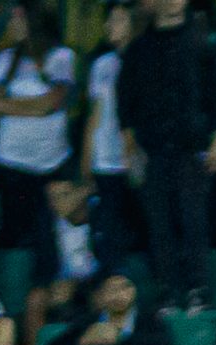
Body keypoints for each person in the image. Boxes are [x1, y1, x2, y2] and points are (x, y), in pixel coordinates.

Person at [119, 0, 216, 312]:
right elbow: (126, 101)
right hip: (153, 150)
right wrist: (130, 146)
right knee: (159, 222)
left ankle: (198, 289)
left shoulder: (203, 42)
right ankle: (167, 289)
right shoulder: (139, 49)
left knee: (194, 220)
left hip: (190, 148)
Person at [0, 3, 78, 251]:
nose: (12, 26)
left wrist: (14, 105)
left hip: (50, 160)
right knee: (16, 234)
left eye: (18, 20)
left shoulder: (60, 57)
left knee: (49, 235)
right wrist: (35, 107)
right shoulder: (5, 60)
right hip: (11, 160)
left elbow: (53, 103)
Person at [24, 177, 119, 345]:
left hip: (96, 282)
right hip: (59, 283)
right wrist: (52, 285)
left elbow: (112, 262)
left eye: (64, 195)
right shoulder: (46, 222)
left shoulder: (103, 216)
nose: (56, 203)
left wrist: (78, 285)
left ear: (83, 192)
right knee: (36, 299)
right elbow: (40, 267)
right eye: (52, 198)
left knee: (107, 294)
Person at [81, 2, 139, 257]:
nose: (109, 26)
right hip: (105, 161)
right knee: (107, 233)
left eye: (117, 20)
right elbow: (95, 114)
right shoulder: (102, 64)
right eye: (109, 20)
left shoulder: (144, 60)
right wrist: (87, 157)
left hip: (134, 159)